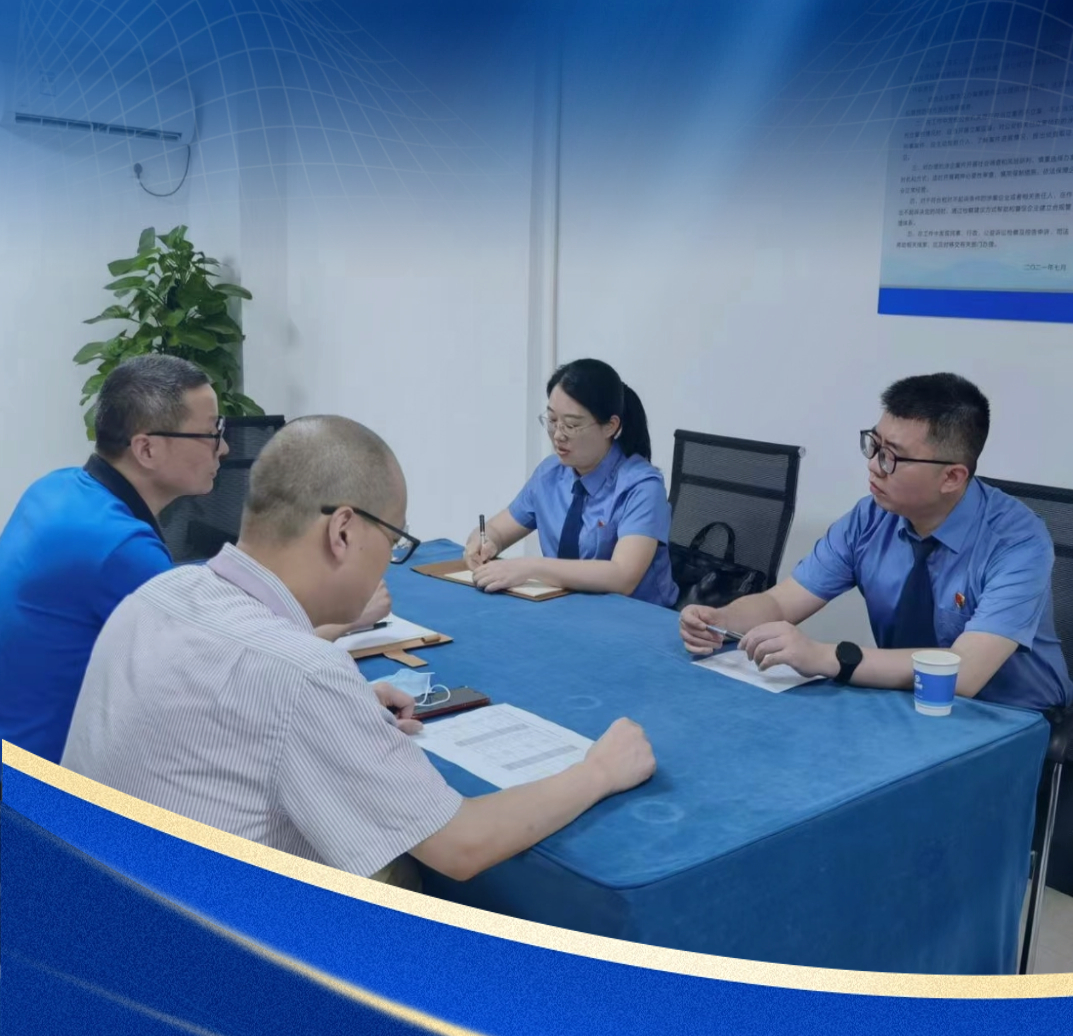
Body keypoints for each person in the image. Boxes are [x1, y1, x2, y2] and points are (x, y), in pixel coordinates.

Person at [63, 415, 655, 882]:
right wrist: (598, 771)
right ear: (342, 531)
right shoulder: (302, 673)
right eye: (393, 540)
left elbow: (208, 714)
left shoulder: (157, 595)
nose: (389, 561)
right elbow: (461, 846)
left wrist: (345, 709)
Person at [680, 372, 1072, 709]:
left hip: (1007, 717)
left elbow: (964, 672)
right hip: (901, 703)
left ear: (952, 477)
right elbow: (781, 602)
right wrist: (723, 619)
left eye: (892, 457)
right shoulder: (870, 518)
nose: (873, 465)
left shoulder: (1017, 543)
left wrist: (823, 656)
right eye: (874, 445)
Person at [0, 354, 226, 761]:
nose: (223, 448)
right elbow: (209, 685)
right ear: (147, 448)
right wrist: (322, 633)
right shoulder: (121, 549)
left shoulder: (55, 487)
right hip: (38, 790)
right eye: (211, 433)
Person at [465, 358, 678, 608]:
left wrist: (531, 567)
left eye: (571, 425)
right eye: (552, 420)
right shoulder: (550, 474)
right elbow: (498, 530)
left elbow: (623, 576)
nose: (558, 435)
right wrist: (484, 541)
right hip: (565, 609)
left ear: (610, 426)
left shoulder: (642, 487)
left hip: (633, 618)